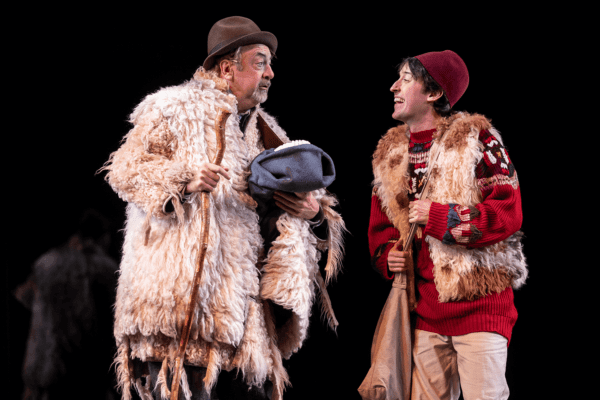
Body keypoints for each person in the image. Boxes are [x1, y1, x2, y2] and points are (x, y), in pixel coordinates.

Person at [100, 16, 345, 400]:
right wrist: (184, 181)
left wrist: (312, 212)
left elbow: (309, 209)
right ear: (228, 68)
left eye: (269, 64)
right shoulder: (173, 108)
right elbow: (126, 170)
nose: (270, 74)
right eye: (260, 63)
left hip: (245, 321)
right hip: (182, 314)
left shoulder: (269, 132)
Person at [368, 50, 527, 400]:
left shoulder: (477, 139)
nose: (394, 87)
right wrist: (388, 256)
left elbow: (507, 214)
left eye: (406, 79)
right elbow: (382, 230)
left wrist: (440, 216)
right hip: (425, 314)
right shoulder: (390, 153)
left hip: (480, 309)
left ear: (434, 92)